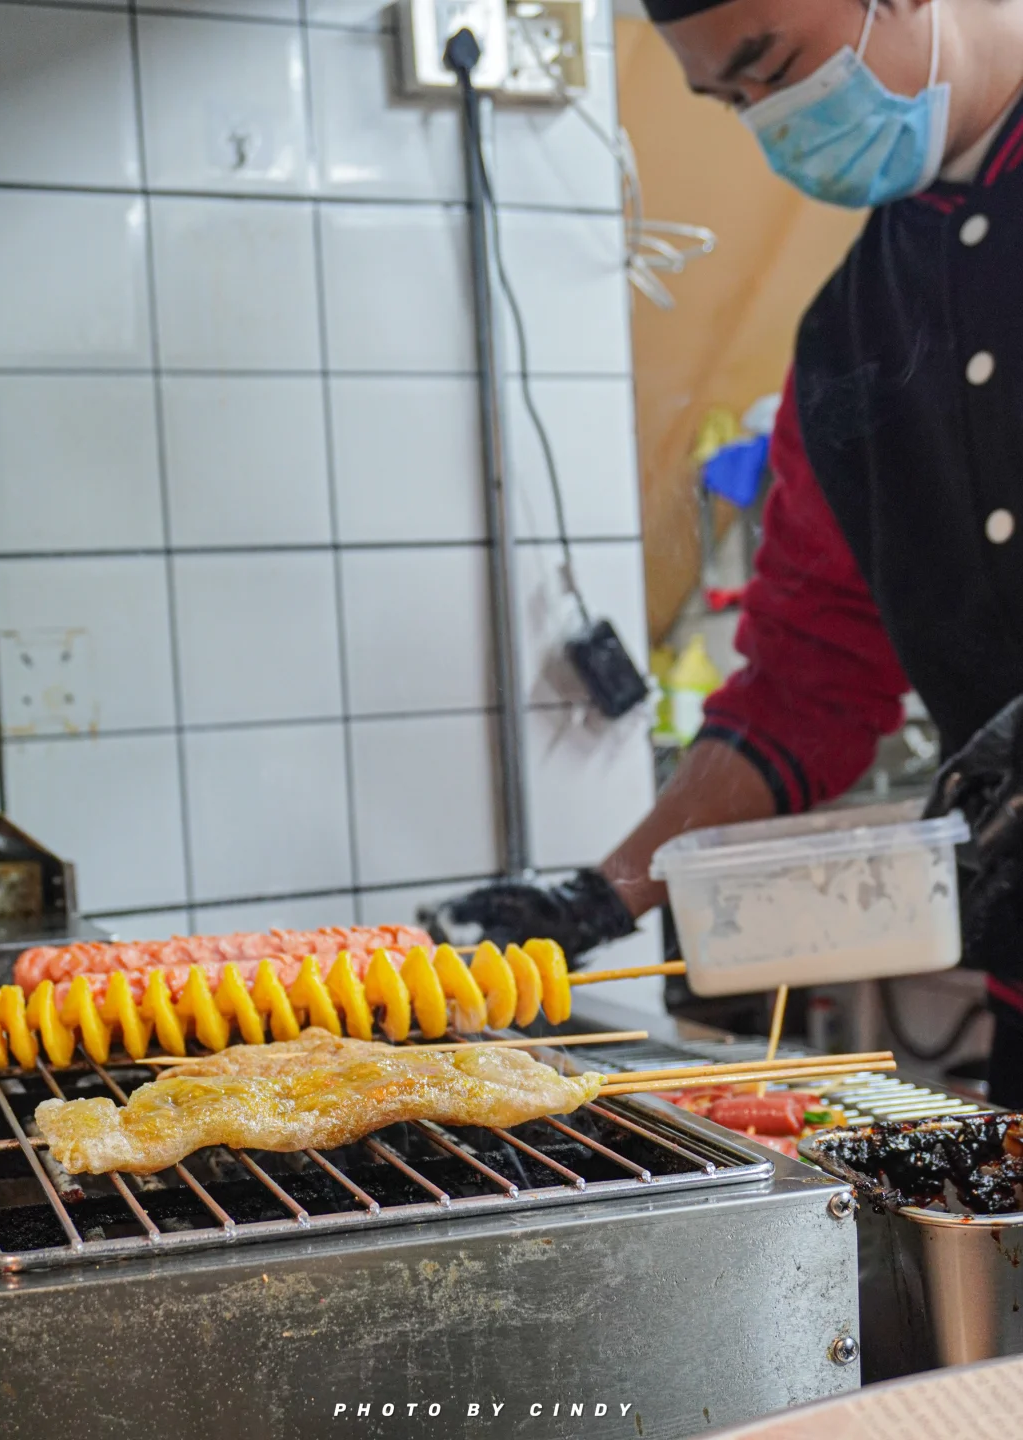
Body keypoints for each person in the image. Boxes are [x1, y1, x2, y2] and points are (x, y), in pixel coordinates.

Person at [426, 0, 1023, 1105]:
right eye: (734, 101)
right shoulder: (851, 328)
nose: (774, 121)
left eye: (774, 67)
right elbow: (807, 677)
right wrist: (609, 892)